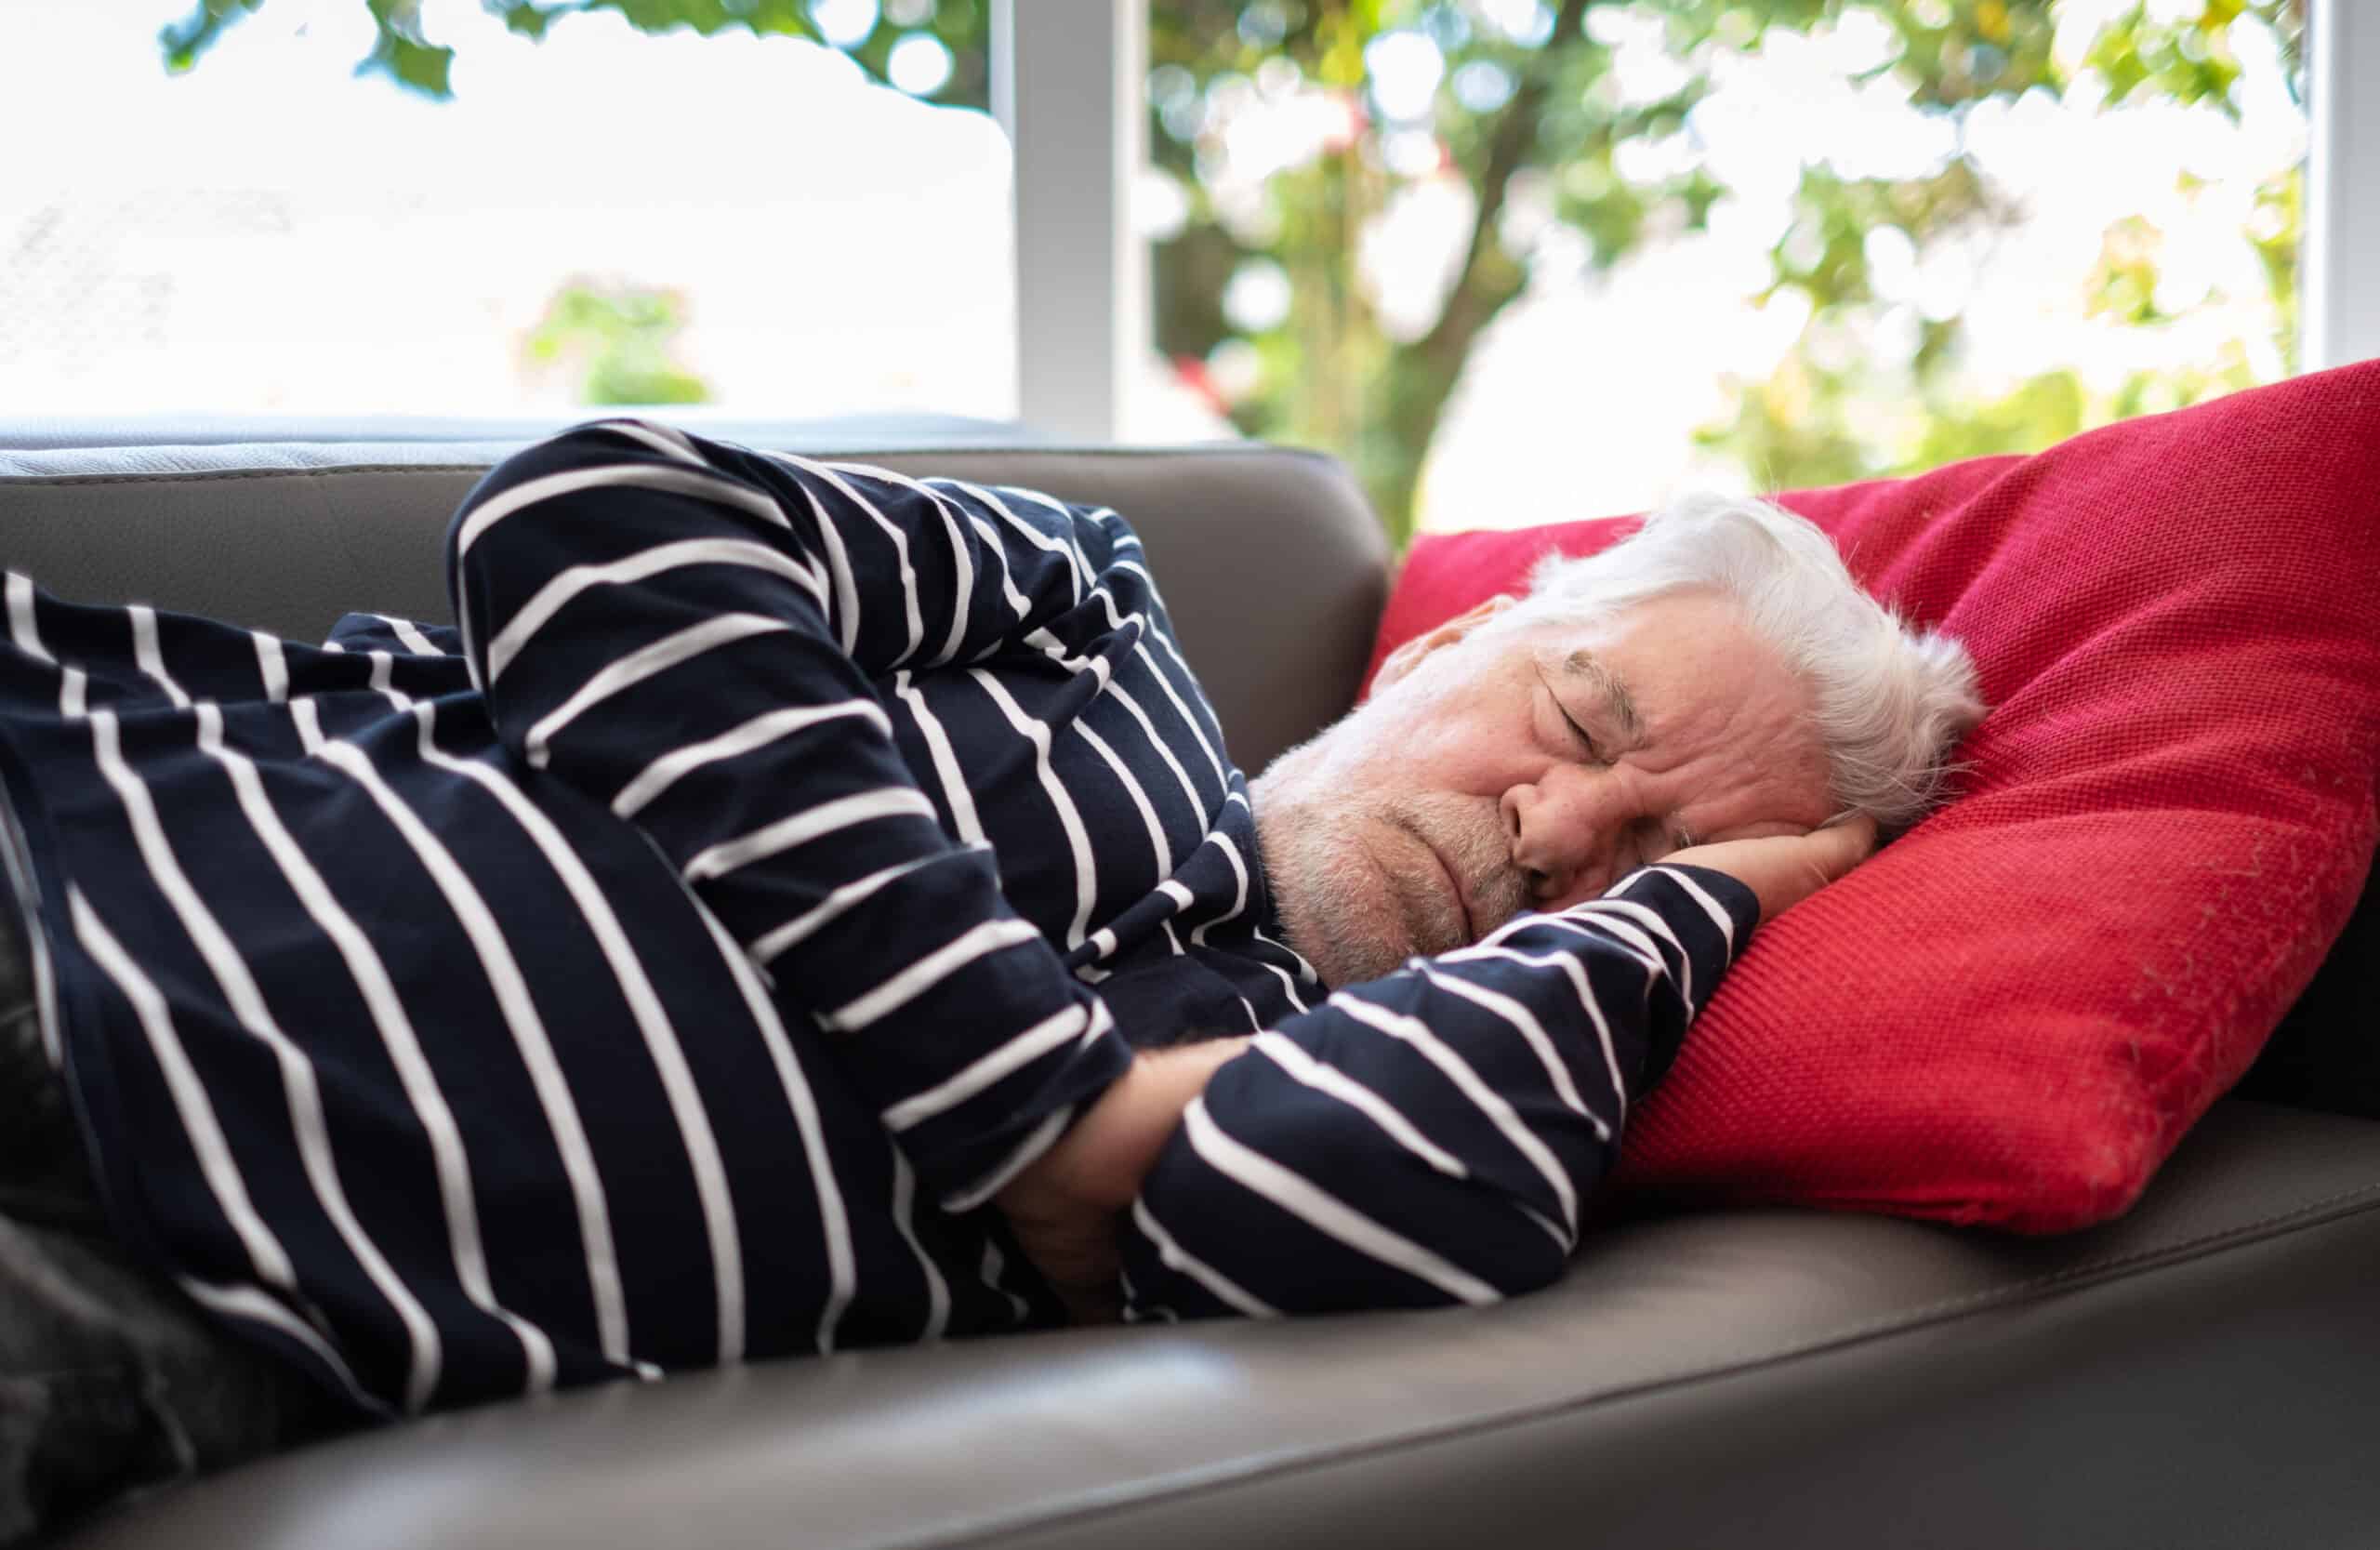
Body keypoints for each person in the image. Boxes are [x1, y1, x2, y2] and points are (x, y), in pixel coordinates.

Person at [0, 419, 1983, 1541]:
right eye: (1576, 715)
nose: (1557, 835)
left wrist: (1725, 888)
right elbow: (592, 526)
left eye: (1646, 848)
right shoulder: (1088, 615)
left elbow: (1326, 1209)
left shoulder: (1316, 1085)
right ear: (1426, 656)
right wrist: (1039, 1108)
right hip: (104, 862)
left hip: (237, 1314)